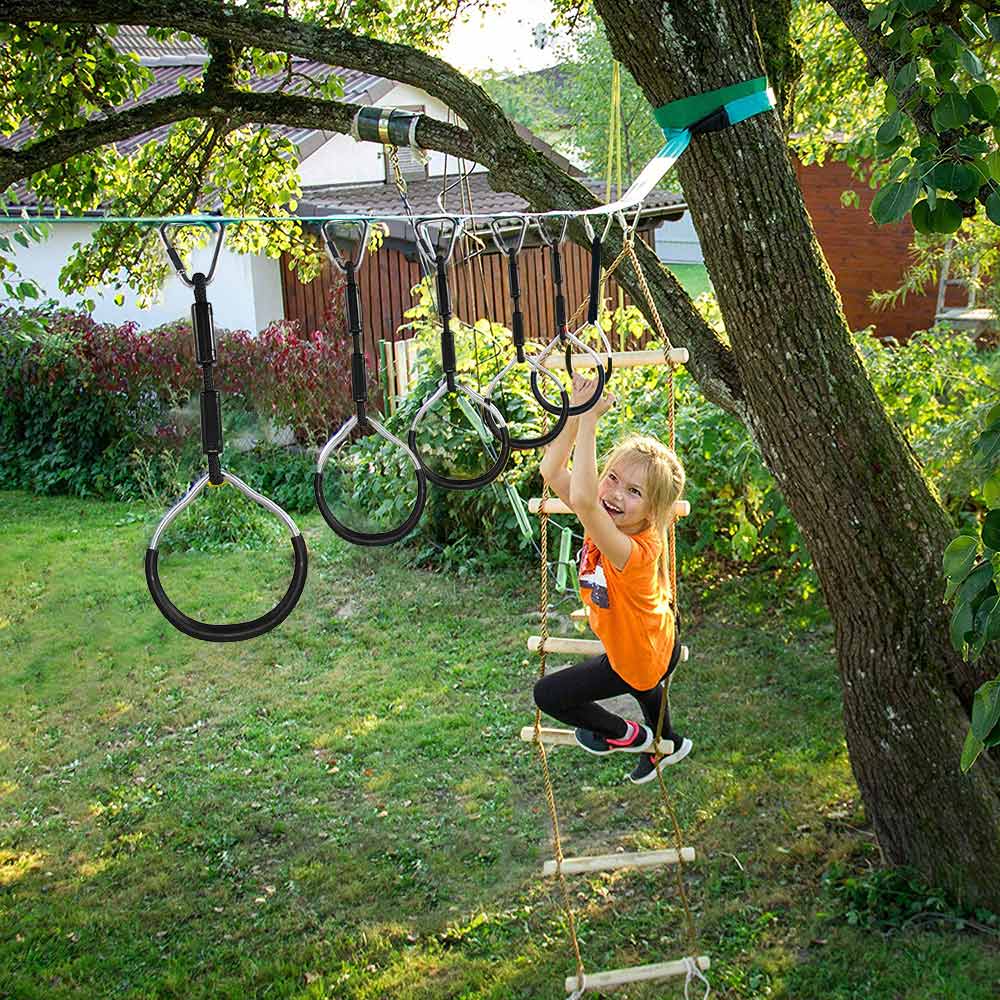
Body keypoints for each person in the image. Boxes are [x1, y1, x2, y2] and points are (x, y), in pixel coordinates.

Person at [534, 372, 692, 784]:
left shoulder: (633, 550)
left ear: (652, 513)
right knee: (650, 683)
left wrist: (589, 419)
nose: (616, 494)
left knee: (547, 695)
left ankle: (628, 735)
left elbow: (584, 498)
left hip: (635, 660)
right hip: (658, 640)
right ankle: (668, 741)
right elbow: (551, 468)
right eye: (613, 478)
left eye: (634, 492)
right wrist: (572, 413)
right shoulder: (607, 521)